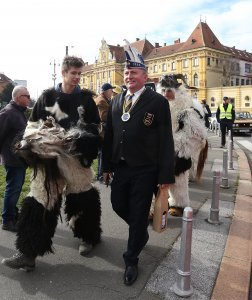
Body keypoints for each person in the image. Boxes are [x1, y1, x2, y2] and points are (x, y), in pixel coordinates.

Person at [2, 56, 102, 271]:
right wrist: (37, 142)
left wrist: (84, 138)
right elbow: (31, 126)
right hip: (48, 161)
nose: (77, 77)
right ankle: (27, 253)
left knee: (83, 197)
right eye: (73, 73)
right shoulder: (47, 98)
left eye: (79, 73)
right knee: (39, 201)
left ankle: (88, 237)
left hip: (76, 160)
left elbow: (97, 127)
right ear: (63, 73)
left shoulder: (86, 100)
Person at [102, 43, 175, 286]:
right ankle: (140, 231)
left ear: (144, 76)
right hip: (122, 167)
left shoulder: (157, 102)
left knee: (138, 209)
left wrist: (165, 174)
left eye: (133, 73)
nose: (129, 76)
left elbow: (166, 140)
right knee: (117, 203)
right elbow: (109, 135)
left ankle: (131, 258)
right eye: (126, 73)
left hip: (146, 169)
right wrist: (106, 166)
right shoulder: (117, 100)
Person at [156, 74, 208, 217]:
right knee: (155, 178)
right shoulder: (156, 107)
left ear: (177, 92)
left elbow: (198, 133)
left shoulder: (186, 111)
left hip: (177, 152)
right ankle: (158, 205)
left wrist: (178, 147)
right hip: (158, 151)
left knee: (178, 178)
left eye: (170, 91)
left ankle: (179, 204)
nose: (166, 94)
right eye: (164, 91)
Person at [0, 86, 30, 232]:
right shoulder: (8, 112)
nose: (29, 97)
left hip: (19, 158)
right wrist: (4, 152)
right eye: (26, 95)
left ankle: (13, 215)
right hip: (12, 159)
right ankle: (7, 220)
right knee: (13, 189)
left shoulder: (18, 112)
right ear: (18, 97)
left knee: (16, 188)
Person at [94, 83, 116, 181]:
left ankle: (102, 175)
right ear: (106, 91)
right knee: (103, 153)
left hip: (103, 131)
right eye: (111, 90)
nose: (112, 92)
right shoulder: (101, 101)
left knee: (103, 153)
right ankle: (101, 175)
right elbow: (103, 117)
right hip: (103, 131)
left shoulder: (104, 99)